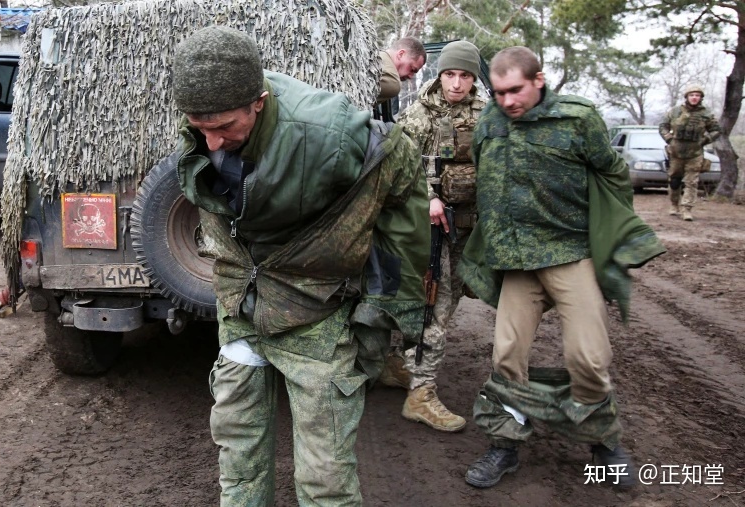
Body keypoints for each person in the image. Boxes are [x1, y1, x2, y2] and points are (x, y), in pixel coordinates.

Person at [171, 26, 430, 506]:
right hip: (242, 306)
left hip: (316, 313)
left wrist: (387, 301)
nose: (212, 142)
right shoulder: (208, 114)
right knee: (238, 452)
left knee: (324, 474)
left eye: (225, 127)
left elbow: (401, 170)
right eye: (199, 128)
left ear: (259, 103)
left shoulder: (327, 133)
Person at [458, 46, 666, 489]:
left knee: (588, 357)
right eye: (499, 92)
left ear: (539, 80)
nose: (507, 101)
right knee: (507, 355)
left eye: (516, 90)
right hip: (517, 259)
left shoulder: (578, 118)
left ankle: (602, 440)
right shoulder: (490, 121)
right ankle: (505, 442)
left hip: (570, 252)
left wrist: (610, 231)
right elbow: (484, 172)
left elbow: (611, 173)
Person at [383, 41, 487, 433]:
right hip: (429, 229)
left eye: (465, 76)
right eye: (449, 74)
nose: (456, 84)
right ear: (439, 75)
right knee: (435, 307)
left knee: (450, 299)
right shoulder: (419, 114)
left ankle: (403, 364)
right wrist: (429, 197)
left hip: (468, 228)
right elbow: (399, 165)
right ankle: (421, 393)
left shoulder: (487, 115)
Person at [659, 84, 721, 221]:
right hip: (676, 152)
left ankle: (687, 208)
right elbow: (663, 126)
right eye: (691, 95)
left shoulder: (706, 114)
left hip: (695, 153)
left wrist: (705, 140)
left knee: (691, 182)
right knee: (675, 181)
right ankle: (674, 204)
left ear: (701, 98)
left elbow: (716, 130)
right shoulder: (675, 111)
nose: (694, 98)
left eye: (697, 95)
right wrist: (669, 139)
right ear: (687, 97)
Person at [376, 36, 426, 103]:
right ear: (401, 54)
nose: (411, 76)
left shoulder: (376, 55)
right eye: (412, 69)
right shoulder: (393, 82)